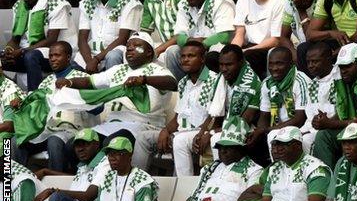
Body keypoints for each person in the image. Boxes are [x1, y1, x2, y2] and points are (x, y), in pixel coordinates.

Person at [56, 32, 177, 168]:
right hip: (110, 124)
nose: (130, 48)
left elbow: (172, 83)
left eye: (137, 46)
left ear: (149, 52)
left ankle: (100, 181)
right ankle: (82, 179)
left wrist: (144, 80)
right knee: (73, 145)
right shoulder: (118, 70)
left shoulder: (157, 69)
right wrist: (69, 82)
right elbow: (90, 81)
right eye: (128, 45)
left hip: (141, 125)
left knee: (111, 143)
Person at [13, 41, 92, 172]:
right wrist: (21, 104)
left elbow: (96, 106)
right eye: (50, 56)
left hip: (70, 130)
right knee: (15, 141)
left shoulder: (82, 78)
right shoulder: (46, 82)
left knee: (54, 141)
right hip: (45, 130)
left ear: (68, 57)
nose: (53, 59)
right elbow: (34, 107)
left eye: (57, 55)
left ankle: (56, 186)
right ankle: (10, 183)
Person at [147, 41, 222, 176]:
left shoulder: (214, 80)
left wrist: (202, 133)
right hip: (183, 132)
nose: (185, 60)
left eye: (191, 56)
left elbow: (215, 116)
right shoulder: (182, 83)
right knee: (143, 138)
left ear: (202, 59)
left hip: (201, 132)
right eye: (183, 56)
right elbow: (178, 117)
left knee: (179, 140)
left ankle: (183, 184)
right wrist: (165, 130)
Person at [1, 0, 73, 91]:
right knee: (4, 55)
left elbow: (51, 40)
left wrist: (22, 51)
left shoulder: (57, 5)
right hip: (26, 51)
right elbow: (15, 39)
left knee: (31, 56)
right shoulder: (19, 5)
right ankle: (8, 93)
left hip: (54, 53)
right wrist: (8, 51)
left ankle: (34, 98)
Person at [311, 43, 357, 168]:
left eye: (348, 66)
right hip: (352, 128)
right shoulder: (344, 83)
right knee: (323, 135)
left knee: (351, 140)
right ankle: (325, 180)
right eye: (341, 67)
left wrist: (330, 124)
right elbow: (343, 114)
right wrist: (323, 121)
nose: (344, 71)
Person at [198, 44, 261, 162]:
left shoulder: (253, 83)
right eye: (221, 65)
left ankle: (220, 174)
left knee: (216, 138)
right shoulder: (221, 79)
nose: (224, 69)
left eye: (229, 65)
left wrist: (211, 133)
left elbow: (243, 121)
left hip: (246, 129)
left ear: (241, 62)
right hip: (223, 127)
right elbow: (216, 113)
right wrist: (203, 132)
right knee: (181, 141)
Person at [248, 47, 310, 162]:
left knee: (273, 135)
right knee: (249, 140)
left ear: (291, 64)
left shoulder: (300, 81)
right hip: (275, 127)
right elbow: (264, 116)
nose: (274, 68)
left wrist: (268, 130)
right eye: (271, 64)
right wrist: (260, 131)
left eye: (279, 64)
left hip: (298, 128)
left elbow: (300, 119)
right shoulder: (268, 83)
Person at [168, 0, 235, 79]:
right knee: (172, 52)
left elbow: (225, 36)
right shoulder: (183, 4)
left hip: (215, 46)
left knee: (214, 52)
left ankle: (213, 87)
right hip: (193, 46)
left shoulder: (220, 2)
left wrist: (202, 43)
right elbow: (179, 36)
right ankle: (183, 87)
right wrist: (192, 42)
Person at [78, 0, 143, 73]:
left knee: (113, 56)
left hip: (118, 51)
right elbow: (82, 40)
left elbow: (123, 39)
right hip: (91, 55)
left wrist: (96, 59)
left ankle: (113, 88)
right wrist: (89, 61)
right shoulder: (87, 2)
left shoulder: (129, 3)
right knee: (73, 63)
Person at [185, 122, 263, 201]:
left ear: (241, 148)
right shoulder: (208, 169)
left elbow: (251, 200)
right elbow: (192, 197)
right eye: (220, 147)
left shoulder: (254, 170)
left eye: (228, 147)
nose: (222, 151)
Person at [231, 0, 286, 78]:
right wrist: (233, 51)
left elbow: (275, 40)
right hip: (249, 46)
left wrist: (246, 51)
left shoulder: (279, 1)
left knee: (248, 57)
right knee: (222, 57)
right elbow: (239, 33)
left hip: (268, 48)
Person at [32, 128, 109, 201]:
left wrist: (52, 191)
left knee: (57, 198)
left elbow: (88, 197)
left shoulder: (105, 163)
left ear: (97, 145)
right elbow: (73, 178)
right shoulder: (84, 165)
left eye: (85, 144)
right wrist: (46, 171)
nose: (80, 149)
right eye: (77, 145)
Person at [260, 126, 331, 201]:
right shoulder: (275, 169)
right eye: (274, 146)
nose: (275, 151)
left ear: (297, 146)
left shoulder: (315, 168)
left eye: (281, 146)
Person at [276, 0, 324, 72]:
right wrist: (294, 54)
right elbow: (283, 37)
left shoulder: (321, 0)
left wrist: (302, 11)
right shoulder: (290, 2)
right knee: (275, 53)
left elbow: (311, 38)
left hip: (320, 46)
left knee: (304, 49)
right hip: (301, 48)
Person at [92, 137, 158, 201]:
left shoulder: (142, 181)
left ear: (130, 155)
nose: (112, 158)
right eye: (110, 154)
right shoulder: (106, 178)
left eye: (117, 154)